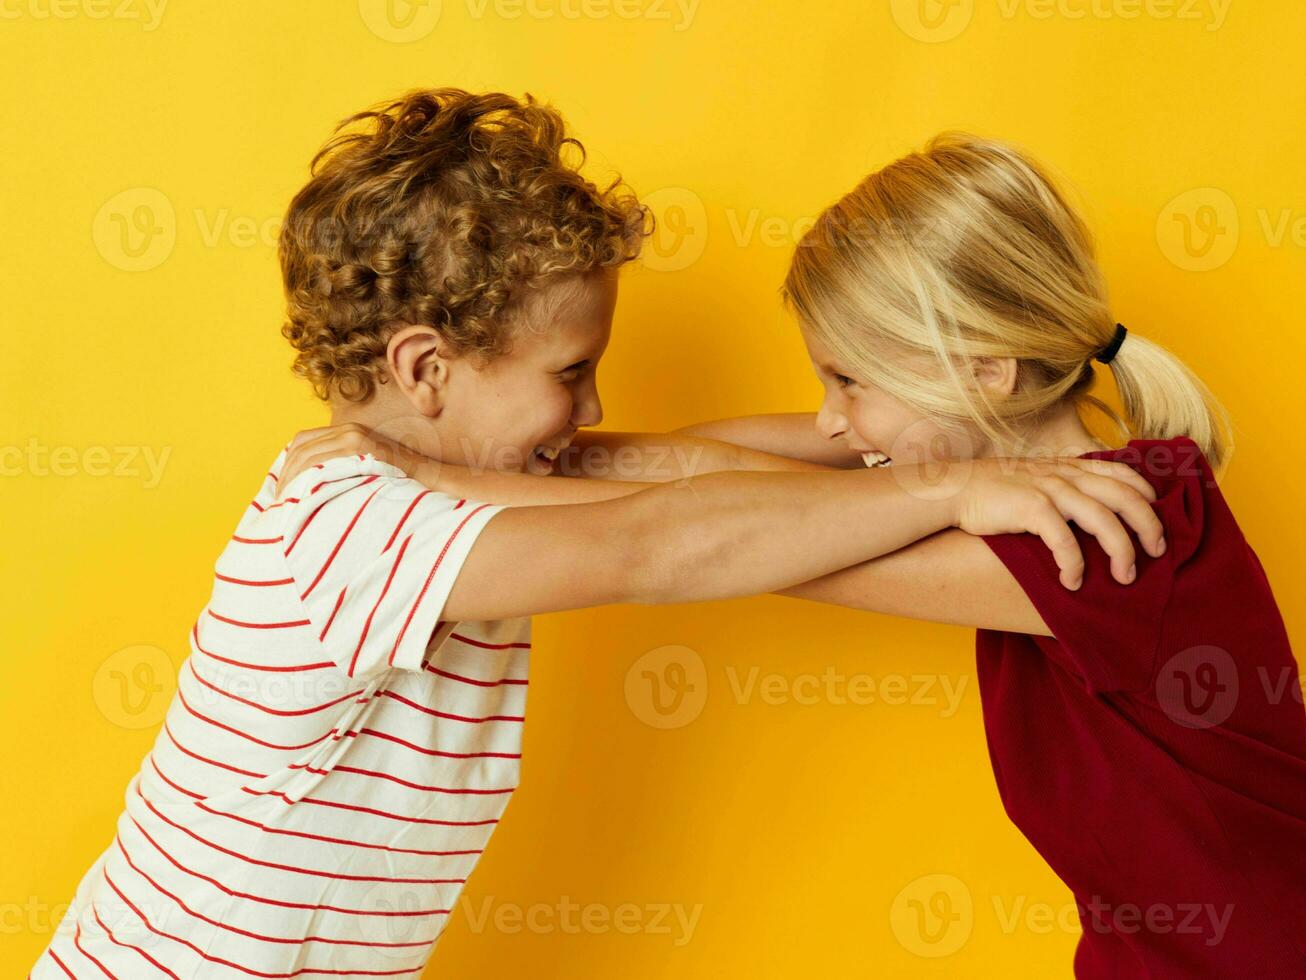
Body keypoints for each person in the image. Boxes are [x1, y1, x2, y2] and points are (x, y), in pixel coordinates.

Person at [30, 94, 1159, 979]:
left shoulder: (444, 479)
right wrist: (953, 492)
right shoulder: (356, 525)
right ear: (427, 369)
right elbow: (654, 542)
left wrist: (917, 447)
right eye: (570, 374)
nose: (593, 409)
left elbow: (669, 462)